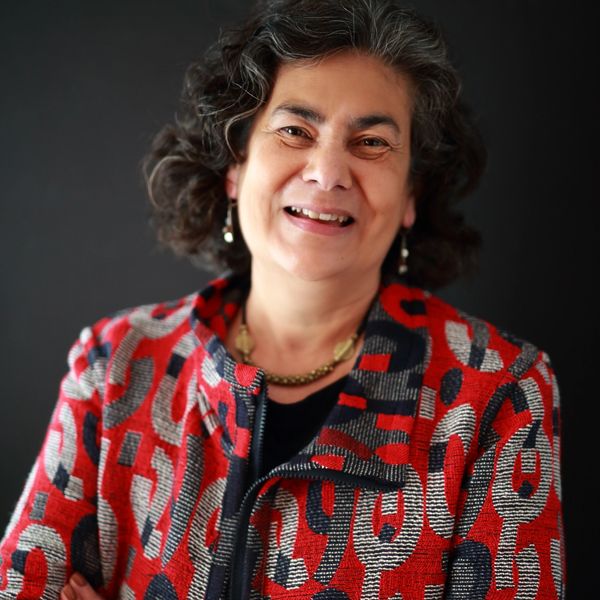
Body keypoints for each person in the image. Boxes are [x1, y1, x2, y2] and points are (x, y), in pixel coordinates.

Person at [0, 0, 565, 598]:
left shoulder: (497, 391)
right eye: (295, 130)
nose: (328, 172)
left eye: (371, 142)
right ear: (235, 167)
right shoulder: (115, 365)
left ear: (410, 198)